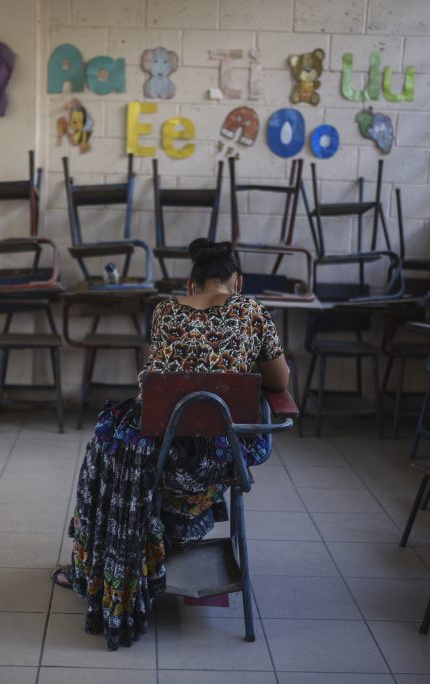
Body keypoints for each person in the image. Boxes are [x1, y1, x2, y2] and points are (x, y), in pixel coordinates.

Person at [51, 238, 289, 650]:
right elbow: (280, 384)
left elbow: (158, 381)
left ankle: (114, 558)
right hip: (222, 454)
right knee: (239, 424)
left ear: (189, 281)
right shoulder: (253, 311)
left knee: (110, 433)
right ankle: (184, 533)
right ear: (238, 280)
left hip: (160, 453)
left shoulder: (164, 310)